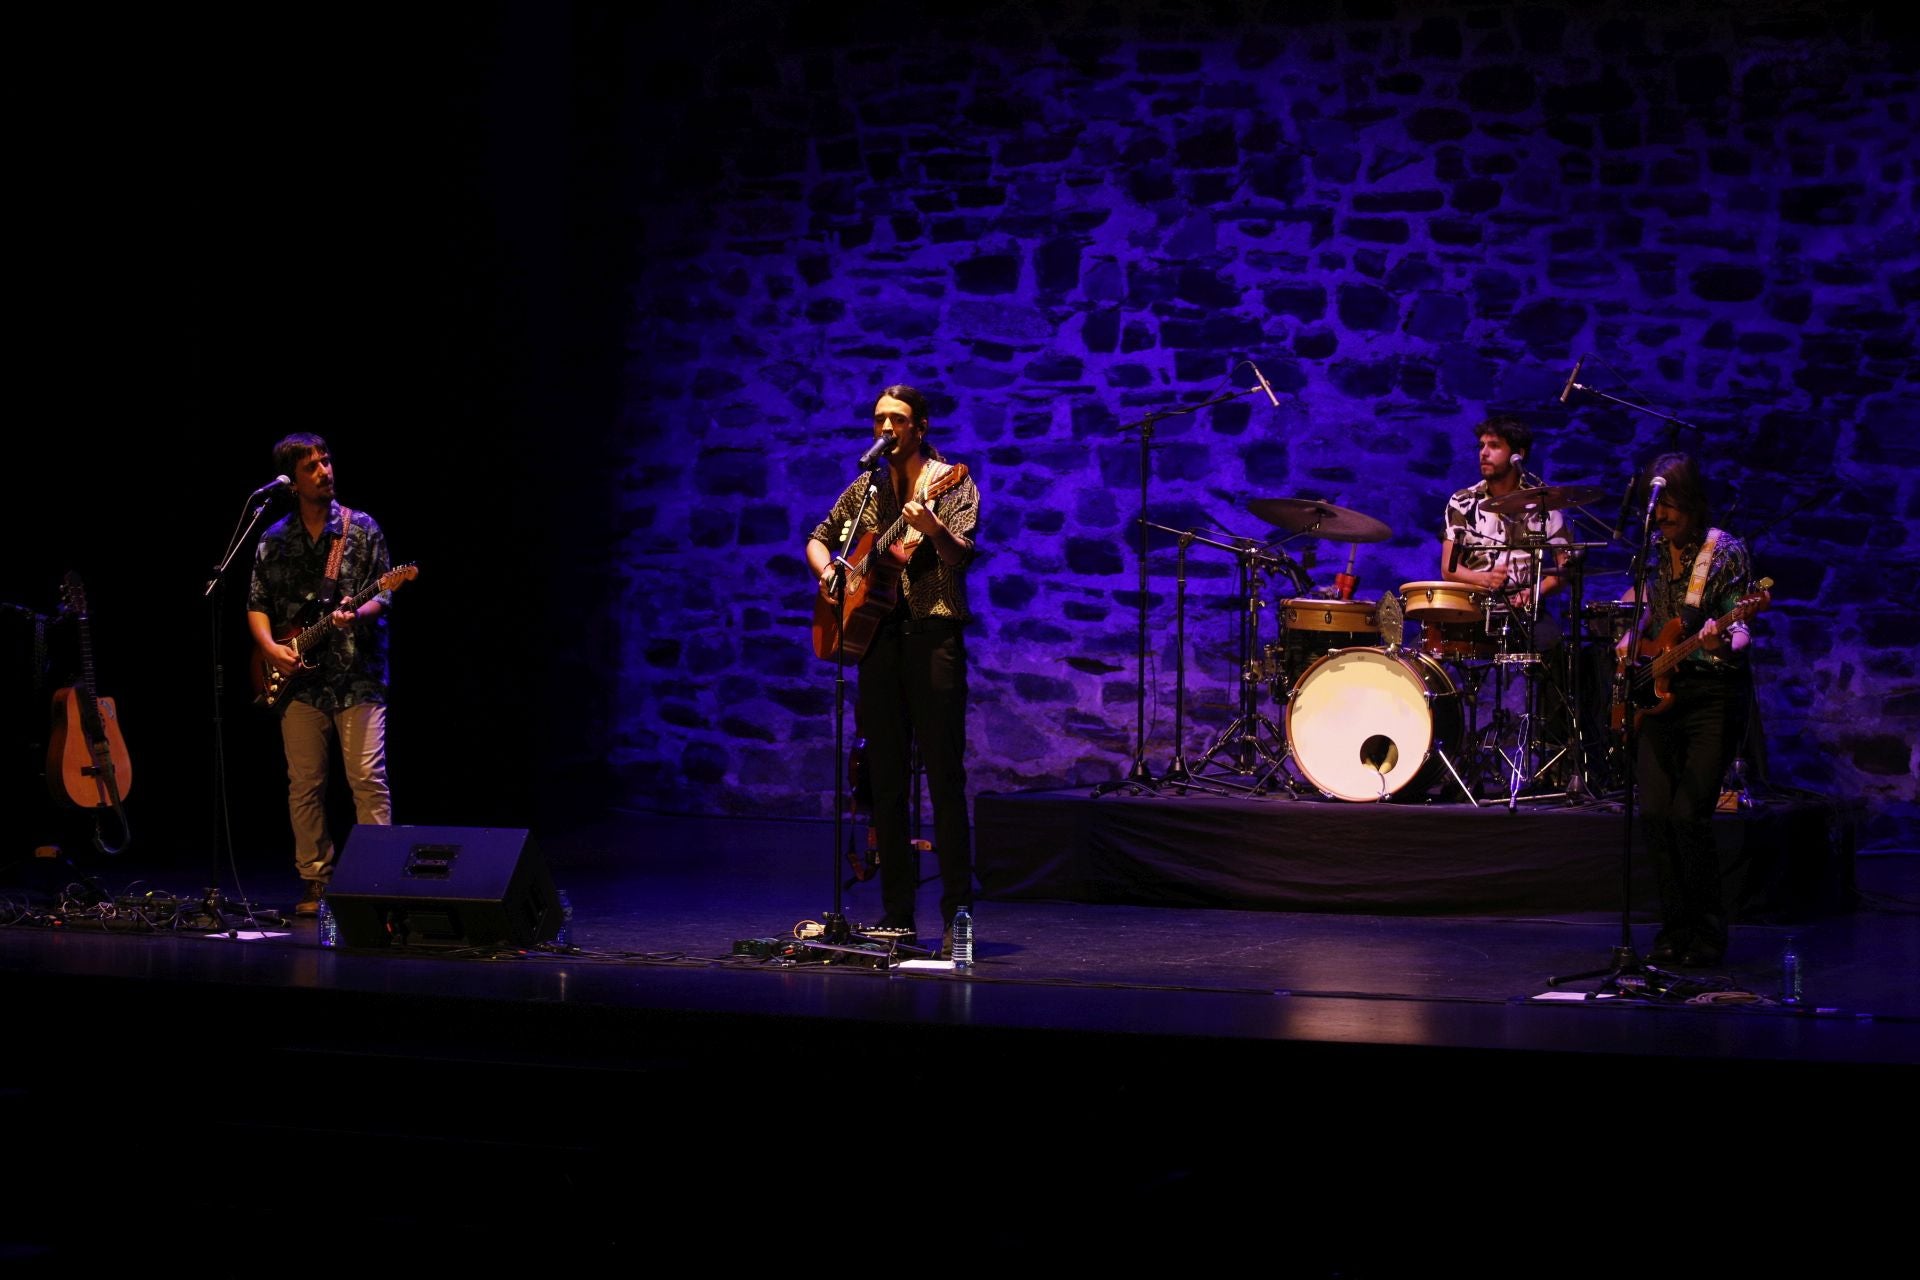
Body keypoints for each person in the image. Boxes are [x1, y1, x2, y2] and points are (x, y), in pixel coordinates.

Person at [806, 385, 980, 955]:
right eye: (879, 418)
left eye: (897, 419)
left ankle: (959, 921)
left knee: (944, 778)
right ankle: (898, 915)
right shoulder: (869, 486)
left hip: (933, 639)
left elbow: (959, 555)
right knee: (885, 779)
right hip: (877, 640)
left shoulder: (952, 479)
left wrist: (930, 529)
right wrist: (830, 572)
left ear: (920, 427)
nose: (886, 427)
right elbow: (819, 538)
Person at [247, 434, 395, 917]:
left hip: (358, 674)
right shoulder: (273, 538)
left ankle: (377, 884)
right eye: (312, 467)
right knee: (304, 783)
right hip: (298, 682)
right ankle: (315, 882)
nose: (325, 471)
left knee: (367, 780)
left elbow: (385, 592)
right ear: (293, 481)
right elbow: (257, 605)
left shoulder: (361, 528)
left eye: (327, 461)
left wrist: (360, 612)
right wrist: (271, 649)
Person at [1616, 453, 1753, 967]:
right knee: (1653, 813)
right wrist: (1633, 638)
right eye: (1659, 505)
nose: (1664, 514)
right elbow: (1653, 609)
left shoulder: (1725, 552)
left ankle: (1708, 935)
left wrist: (1719, 640)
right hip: (1660, 691)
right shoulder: (1653, 551)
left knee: (1688, 815)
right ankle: (1672, 930)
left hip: (1711, 698)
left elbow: (1740, 634)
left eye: (1672, 503)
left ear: (1692, 502)